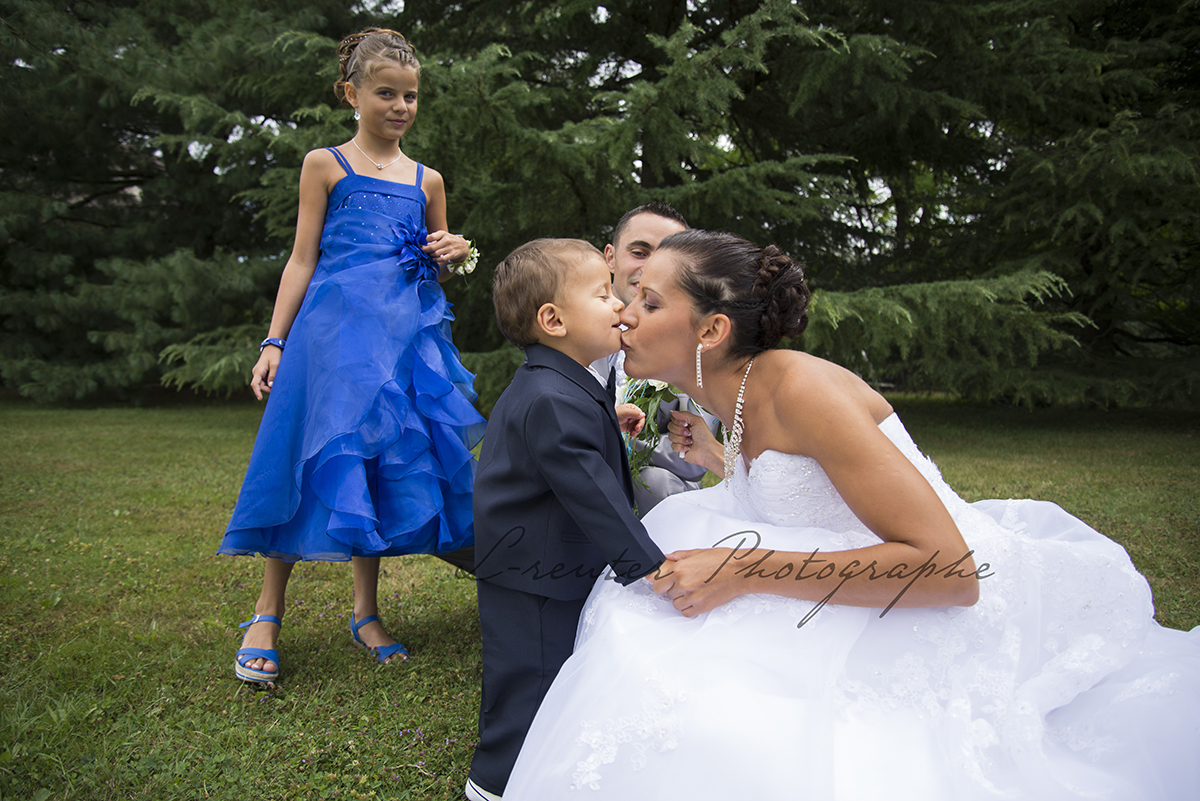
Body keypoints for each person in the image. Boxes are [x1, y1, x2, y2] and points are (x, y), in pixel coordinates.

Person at [503, 229, 1200, 799]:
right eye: (628, 295)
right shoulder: (727, 391)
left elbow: (953, 572)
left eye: (648, 302)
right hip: (840, 570)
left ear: (711, 329)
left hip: (944, 599)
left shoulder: (803, 389)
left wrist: (741, 569)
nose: (624, 313)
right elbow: (793, 487)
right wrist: (718, 460)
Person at [218, 28, 486, 685]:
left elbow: (433, 267)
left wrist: (455, 252)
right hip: (331, 339)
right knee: (309, 454)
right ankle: (267, 613)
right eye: (386, 93)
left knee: (373, 465)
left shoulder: (427, 180)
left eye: (411, 96)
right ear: (351, 93)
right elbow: (301, 258)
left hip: (399, 344)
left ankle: (366, 613)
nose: (400, 106)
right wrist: (274, 341)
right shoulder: (325, 165)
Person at [465, 238, 666, 801]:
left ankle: (545, 757)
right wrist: (648, 566)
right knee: (528, 675)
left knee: (556, 668)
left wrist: (607, 419)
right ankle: (494, 781)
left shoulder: (563, 382)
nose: (619, 303)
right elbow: (592, 493)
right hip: (533, 570)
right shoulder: (553, 398)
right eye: (603, 295)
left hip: (545, 558)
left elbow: (571, 436)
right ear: (553, 320)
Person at [590, 203, 722, 514]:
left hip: (661, 502)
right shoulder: (575, 329)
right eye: (639, 252)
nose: (650, 268)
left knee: (655, 480)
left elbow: (691, 464)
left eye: (666, 258)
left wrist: (615, 434)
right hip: (574, 488)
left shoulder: (696, 344)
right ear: (610, 257)